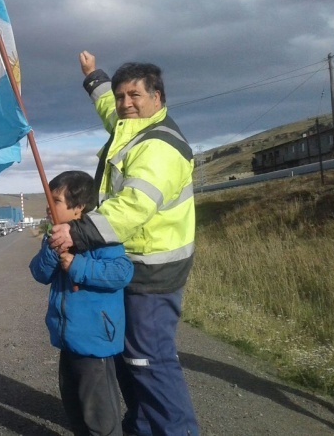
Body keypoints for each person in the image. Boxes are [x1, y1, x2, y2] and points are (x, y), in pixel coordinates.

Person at [49, 51, 198, 436]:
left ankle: (175, 430)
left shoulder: (159, 147)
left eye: (134, 95)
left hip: (154, 268)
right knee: (129, 356)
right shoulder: (131, 127)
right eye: (120, 96)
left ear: (157, 98)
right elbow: (108, 112)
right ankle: (144, 425)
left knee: (149, 359)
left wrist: (78, 232)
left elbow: (133, 207)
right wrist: (93, 77)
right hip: (134, 260)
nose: (125, 103)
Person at [29, 170, 134, 436]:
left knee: (98, 414)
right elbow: (39, 273)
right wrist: (52, 252)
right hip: (68, 339)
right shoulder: (54, 237)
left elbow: (121, 272)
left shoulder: (101, 239)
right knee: (74, 407)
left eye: (56, 201)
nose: (48, 206)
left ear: (79, 208)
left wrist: (79, 265)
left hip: (94, 342)